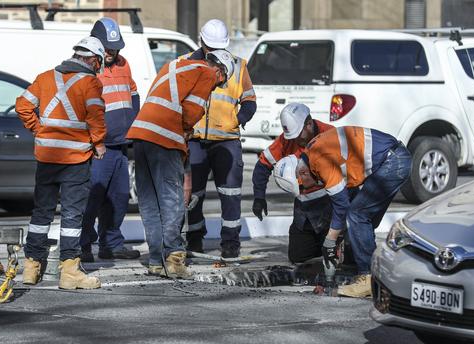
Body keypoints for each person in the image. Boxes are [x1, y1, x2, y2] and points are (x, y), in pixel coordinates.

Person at [126, 49, 234, 278]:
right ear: (219, 70)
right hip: (165, 138)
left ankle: (156, 261)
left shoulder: (174, 66)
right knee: (171, 200)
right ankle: (174, 259)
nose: (215, 87)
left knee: (150, 203)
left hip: (141, 136)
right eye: (220, 83)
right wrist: (186, 131)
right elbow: (192, 110)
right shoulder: (206, 73)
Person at [274, 126, 411, 297]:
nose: (304, 189)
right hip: (392, 158)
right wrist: (337, 235)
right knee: (363, 219)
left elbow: (341, 205)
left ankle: (367, 278)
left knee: (357, 215)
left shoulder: (320, 160)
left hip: (393, 161)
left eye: (301, 185)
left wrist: (330, 240)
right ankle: (373, 272)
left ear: (302, 172)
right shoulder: (312, 153)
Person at [15, 36, 107, 289]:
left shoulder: (46, 77)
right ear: (92, 59)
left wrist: (38, 130)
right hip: (75, 158)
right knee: (72, 216)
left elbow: (22, 105)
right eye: (98, 62)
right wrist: (98, 143)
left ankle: (31, 267)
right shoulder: (90, 83)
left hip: (47, 157)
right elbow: (96, 116)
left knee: (41, 213)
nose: (98, 67)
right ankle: (69, 271)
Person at [182, 19, 257, 258]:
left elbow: (249, 100)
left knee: (231, 193)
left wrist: (239, 118)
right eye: (210, 47)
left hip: (226, 139)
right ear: (201, 41)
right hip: (194, 139)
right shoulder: (186, 63)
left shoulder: (238, 65)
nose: (214, 51)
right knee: (193, 194)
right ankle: (194, 240)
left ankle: (230, 243)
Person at [79, 17, 141, 262]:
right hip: (99, 148)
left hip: (121, 145)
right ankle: (83, 245)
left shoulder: (124, 64)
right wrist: (94, 140)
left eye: (115, 48)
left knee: (118, 198)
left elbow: (133, 91)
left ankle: (111, 244)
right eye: (107, 48)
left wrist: (134, 119)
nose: (112, 52)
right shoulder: (88, 67)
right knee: (92, 199)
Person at [251, 103, 336, 264]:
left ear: (309, 124)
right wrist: (259, 197)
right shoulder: (287, 140)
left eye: (299, 134)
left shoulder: (331, 136)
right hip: (304, 211)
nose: (297, 140)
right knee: (299, 258)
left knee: (336, 256)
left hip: (332, 207)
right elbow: (263, 165)